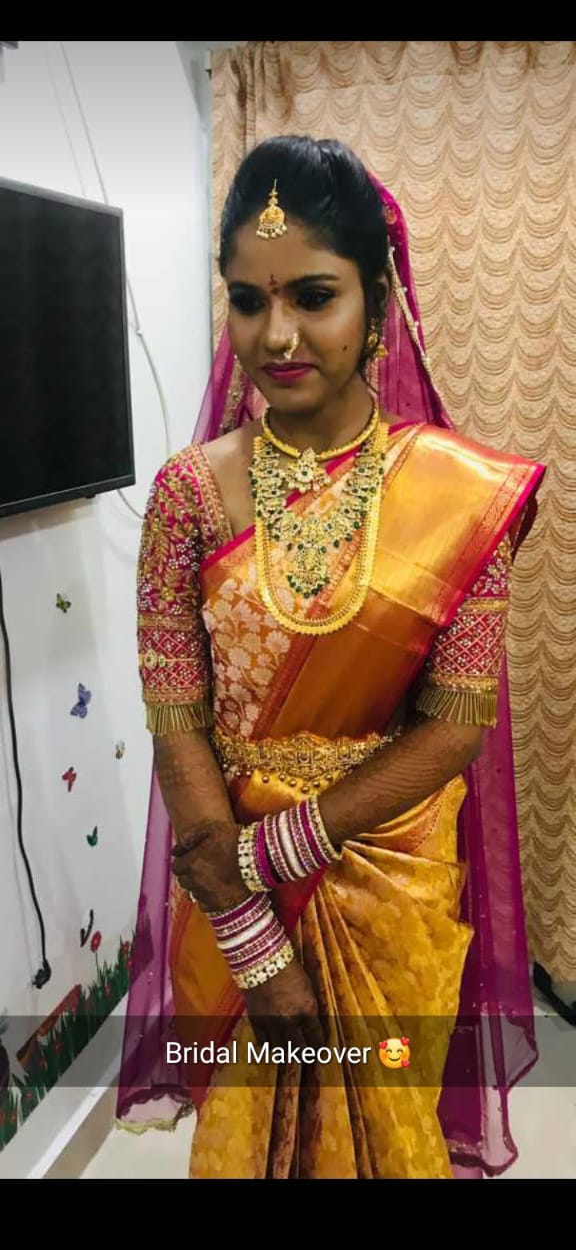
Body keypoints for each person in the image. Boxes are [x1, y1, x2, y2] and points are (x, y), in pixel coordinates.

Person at [117, 137, 546, 1179]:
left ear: (378, 301)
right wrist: (249, 931)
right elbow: (177, 722)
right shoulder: (186, 496)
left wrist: (270, 853)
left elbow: (455, 727)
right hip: (231, 882)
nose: (277, 335)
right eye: (248, 301)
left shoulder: (457, 496)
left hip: (385, 876)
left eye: (314, 296)